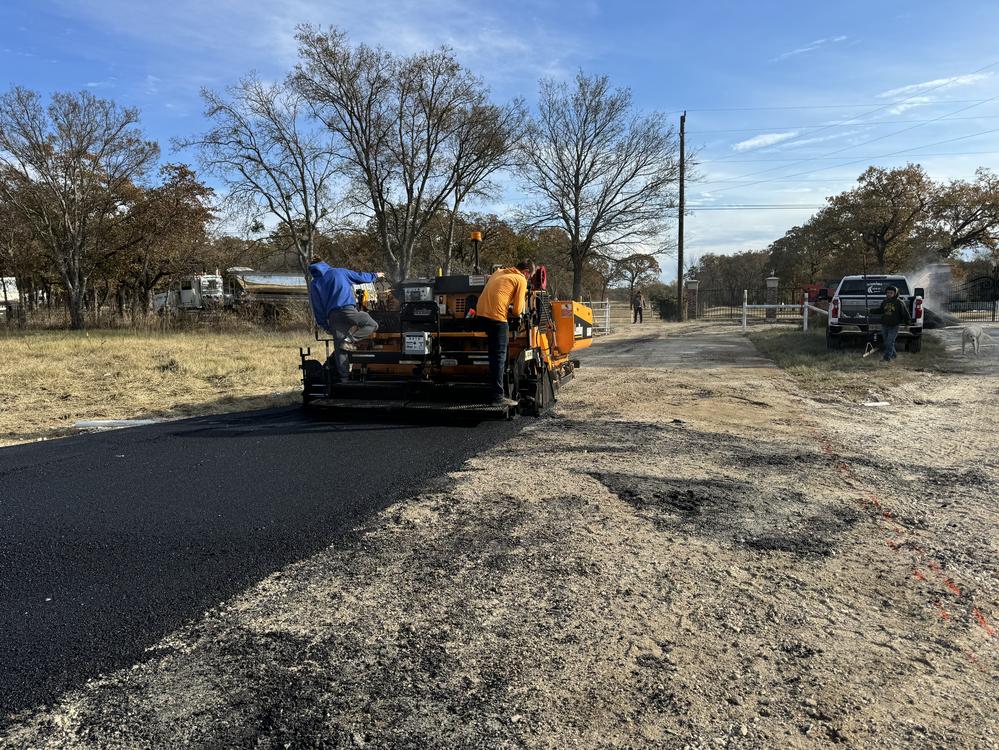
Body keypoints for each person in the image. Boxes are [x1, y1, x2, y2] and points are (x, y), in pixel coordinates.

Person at [308, 259, 385, 381]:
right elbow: (360, 277)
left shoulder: (314, 283)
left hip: (333, 317)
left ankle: (344, 379)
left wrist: (324, 325)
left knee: (340, 350)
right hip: (348, 310)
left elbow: (317, 306)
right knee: (372, 324)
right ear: (324, 263)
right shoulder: (339, 272)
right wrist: (375, 275)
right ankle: (350, 340)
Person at [476, 259, 535, 407]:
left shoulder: (499, 272)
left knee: (493, 355)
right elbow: (517, 310)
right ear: (526, 272)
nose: (528, 278)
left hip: (480, 315)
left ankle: (491, 389)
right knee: (499, 357)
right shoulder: (520, 279)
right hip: (496, 318)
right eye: (530, 276)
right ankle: (497, 397)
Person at [873, 284, 911, 362]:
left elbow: (905, 313)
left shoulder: (899, 302)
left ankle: (887, 358)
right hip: (884, 324)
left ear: (895, 293)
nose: (889, 294)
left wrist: (907, 323)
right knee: (887, 342)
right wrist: (870, 310)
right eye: (887, 292)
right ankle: (894, 355)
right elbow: (881, 310)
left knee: (890, 342)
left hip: (894, 325)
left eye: (891, 293)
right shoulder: (885, 301)